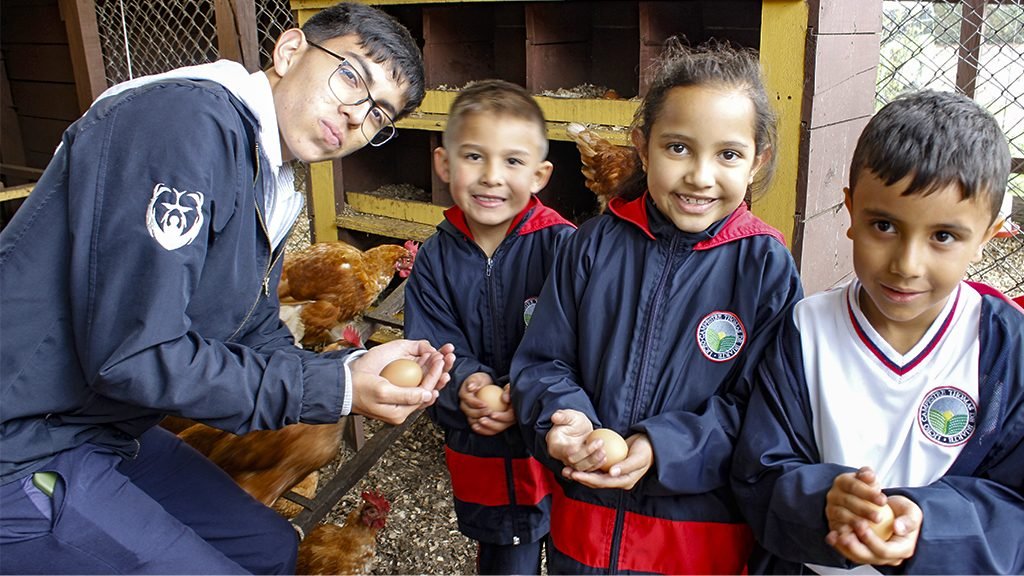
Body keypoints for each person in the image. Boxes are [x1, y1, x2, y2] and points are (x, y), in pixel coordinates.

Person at [0, 3, 456, 574]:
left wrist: (349, 368)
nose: (356, 114)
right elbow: (133, 356)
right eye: (351, 76)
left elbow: (248, 324)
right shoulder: (183, 125)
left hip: (105, 427)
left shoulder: (269, 175)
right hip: (22, 440)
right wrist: (330, 390)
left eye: (377, 115)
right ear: (289, 52)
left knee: (271, 547)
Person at [509, 40, 804, 575]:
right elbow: (542, 362)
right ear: (643, 149)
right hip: (583, 531)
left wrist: (659, 448)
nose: (700, 176)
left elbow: (766, 415)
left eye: (728, 154)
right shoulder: (591, 246)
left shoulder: (764, 267)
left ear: (757, 160)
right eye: (678, 148)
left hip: (693, 546)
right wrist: (564, 418)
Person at [730, 89, 1024, 575]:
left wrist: (928, 527)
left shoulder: (1003, 347)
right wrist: (825, 502)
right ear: (850, 211)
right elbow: (760, 474)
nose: (906, 264)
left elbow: (1014, 506)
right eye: (884, 225)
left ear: (988, 236)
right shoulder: (806, 332)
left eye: (943, 236)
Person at [403, 79, 576, 575]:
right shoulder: (434, 257)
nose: (491, 177)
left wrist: (522, 394)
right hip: (482, 450)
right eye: (474, 157)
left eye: (513, 162)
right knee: (506, 559)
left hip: (556, 446)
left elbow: (581, 342)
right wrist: (469, 384)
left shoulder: (565, 249)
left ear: (541, 174)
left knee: (575, 550)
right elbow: (430, 339)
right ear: (444, 163)